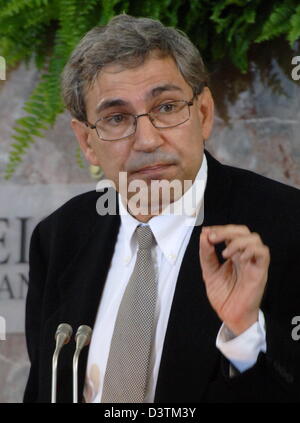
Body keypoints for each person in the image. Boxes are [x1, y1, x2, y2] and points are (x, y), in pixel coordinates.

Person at [24, 14, 300, 403]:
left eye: (167, 107)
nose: (147, 140)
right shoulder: (59, 236)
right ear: (87, 141)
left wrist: (244, 333)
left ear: (203, 113)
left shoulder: (288, 227)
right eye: (117, 118)